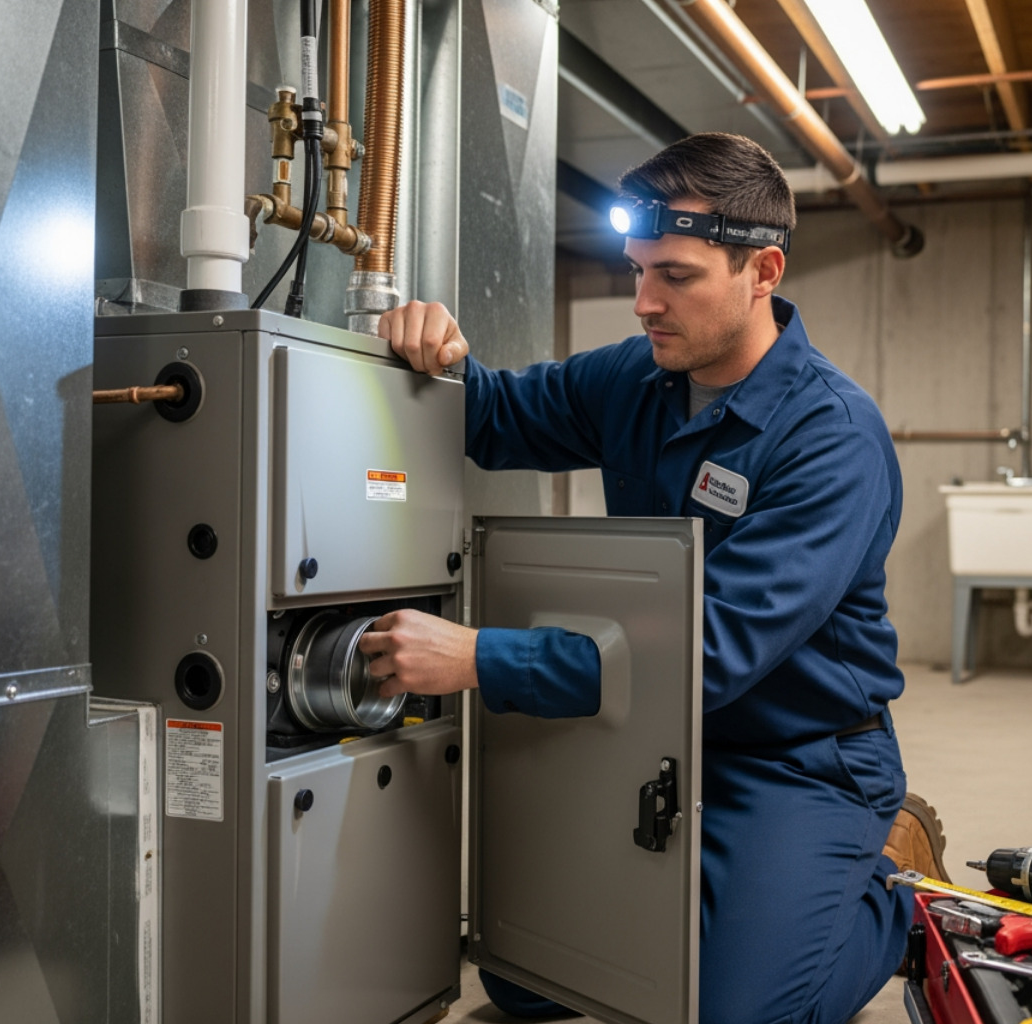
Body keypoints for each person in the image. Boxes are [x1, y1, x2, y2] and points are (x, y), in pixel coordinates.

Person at [361, 132, 950, 1024]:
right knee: (529, 976)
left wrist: (482, 657)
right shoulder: (637, 379)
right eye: (637, 271)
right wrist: (436, 354)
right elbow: (494, 415)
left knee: (727, 1014)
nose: (643, 303)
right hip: (664, 739)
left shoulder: (831, 437)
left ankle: (892, 899)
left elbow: (707, 652)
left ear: (763, 271)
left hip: (800, 759)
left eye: (675, 275)